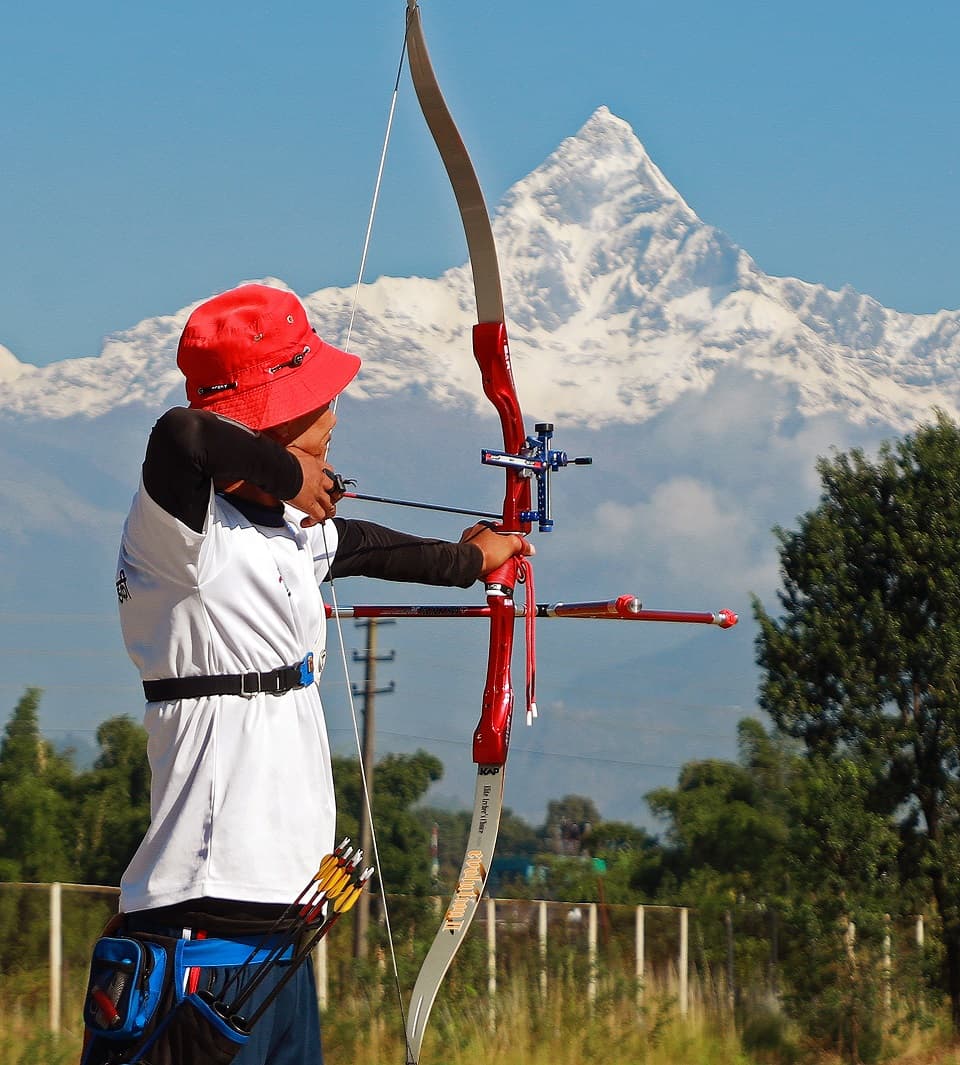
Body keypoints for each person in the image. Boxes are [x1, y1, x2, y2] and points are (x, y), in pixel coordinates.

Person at [83, 283, 530, 1065]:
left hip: (285, 929)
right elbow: (183, 434)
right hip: (204, 927)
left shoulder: (287, 534)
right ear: (261, 428)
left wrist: (471, 560)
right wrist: (287, 475)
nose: (332, 422)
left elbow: (359, 543)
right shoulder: (179, 540)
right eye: (313, 405)